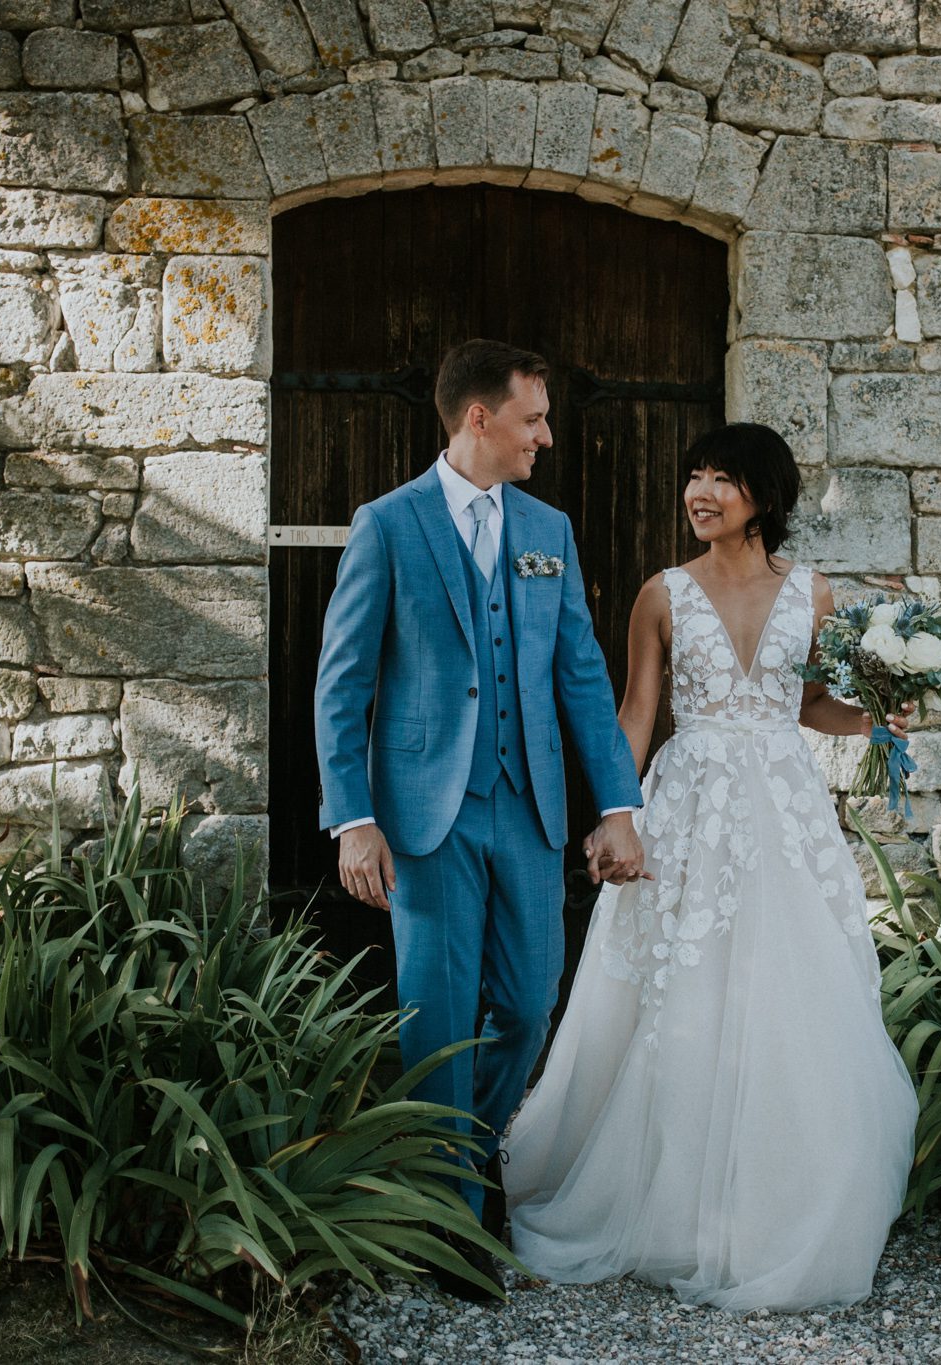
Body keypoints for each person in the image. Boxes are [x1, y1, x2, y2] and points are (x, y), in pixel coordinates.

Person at [503, 422, 921, 1311]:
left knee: (789, 991)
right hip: (687, 805)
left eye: (721, 478)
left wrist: (881, 718)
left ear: (762, 498)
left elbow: (812, 704)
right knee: (674, 990)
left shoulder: (815, 594)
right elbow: (635, 713)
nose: (700, 491)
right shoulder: (661, 594)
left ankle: (773, 1205)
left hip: (783, 807)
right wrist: (618, 818)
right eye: (694, 475)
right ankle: (666, 1205)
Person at [312, 339, 648, 1295]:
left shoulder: (549, 527)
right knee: (437, 1017)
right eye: (533, 418)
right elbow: (343, 688)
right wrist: (353, 818)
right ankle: (453, 1221)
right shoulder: (388, 524)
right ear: (478, 419)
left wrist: (617, 803)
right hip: (426, 816)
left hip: (531, 808)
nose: (545, 435)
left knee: (529, 1000)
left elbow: (582, 675)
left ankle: (459, 1154)